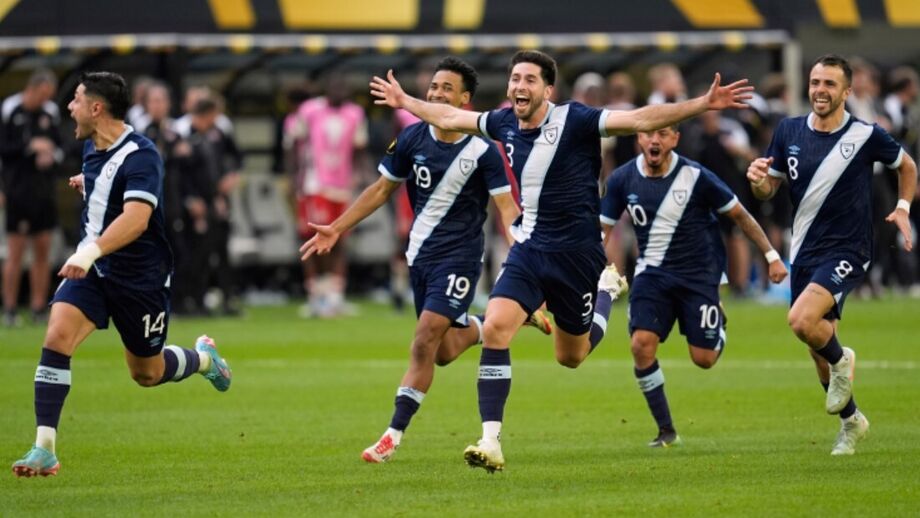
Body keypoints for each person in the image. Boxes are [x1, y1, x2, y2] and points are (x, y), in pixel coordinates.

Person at [370, 49, 752, 472]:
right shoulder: (501, 123)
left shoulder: (577, 119)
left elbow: (642, 119)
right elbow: (449, 118)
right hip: (530, 249)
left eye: (530, 79)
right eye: (515, 78)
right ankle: (490, 440)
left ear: (548, 89)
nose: (519, 86)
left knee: (572, 356)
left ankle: (606, 292)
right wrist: (405, 101)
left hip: (578, 257)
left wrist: (702, 103)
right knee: (496, 327)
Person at [301, 57, 550, 464]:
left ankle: (391, 436)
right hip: (420, 256)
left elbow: (507, 208)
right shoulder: (413, 139)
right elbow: (381, 190)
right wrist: (337, 227)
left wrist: (520, 255)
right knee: (444, 350)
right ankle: (500, 320)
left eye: (445, 89)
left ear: (465, 100)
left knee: (422, 340)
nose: (435, 94)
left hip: (461, 259)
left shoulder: (484, 151)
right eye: (433, 87)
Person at [10, 72, 232, 478]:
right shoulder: (94, 147)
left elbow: (136, 219)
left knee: (145, 373)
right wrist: (89, 189)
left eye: (76, 100)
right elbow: (110, 191)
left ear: (96, 108)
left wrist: (89, 251)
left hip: (140, 279)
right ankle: (44, 447)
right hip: (94, 271)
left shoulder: (142, 154)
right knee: (57, 335)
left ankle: (203, 360)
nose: (69, 107)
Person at [746, 54, 917, 455]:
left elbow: (906, 166)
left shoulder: (865, 134)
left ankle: (844, 361)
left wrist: (904, 208)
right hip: (804, 247)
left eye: (829, 84)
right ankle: (851, 422)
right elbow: (769, 189)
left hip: (849, 248)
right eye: (815, 82)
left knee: (801, 321)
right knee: (817, 348)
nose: (820, 90)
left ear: (846, 92)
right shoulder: (787, 130)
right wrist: (757, 183)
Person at [602, 125, 787, 447]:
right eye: (648, 134)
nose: (654, 140)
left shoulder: (697, 176)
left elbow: (740, 216)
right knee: (640, 346)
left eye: (663, 133)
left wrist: (771, 256)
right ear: (639, 139)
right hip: (652, 275)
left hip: (699, 275)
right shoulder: (622, 179)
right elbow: (601, 230)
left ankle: (720, 323)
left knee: (704, 359)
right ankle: (666, 430)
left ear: (676, 138)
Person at [286, 71, 369, 318]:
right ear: (326, 89)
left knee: (340, 239)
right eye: (334, 87)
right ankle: (316, 294)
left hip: (342, 185)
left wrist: (364, 176)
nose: (339, 92)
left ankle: (334, 295)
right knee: (315, 236)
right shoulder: (310, 110)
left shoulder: (355, 113)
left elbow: (360, 149)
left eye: (343, 87)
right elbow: (293, 143)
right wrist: (293, 176)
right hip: (315, 184)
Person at [1, 69, 61, 326]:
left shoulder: (50, 113)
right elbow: (4, 149)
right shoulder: (11, 109)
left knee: (42, 251)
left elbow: (62, 146)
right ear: (33, 88)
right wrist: (29, 148)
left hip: (43, 193)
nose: (45, 100)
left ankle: (38, 307)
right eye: (43, 94)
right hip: (17, 191)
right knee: (15, 253)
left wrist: (52, 155)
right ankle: (10, 308)